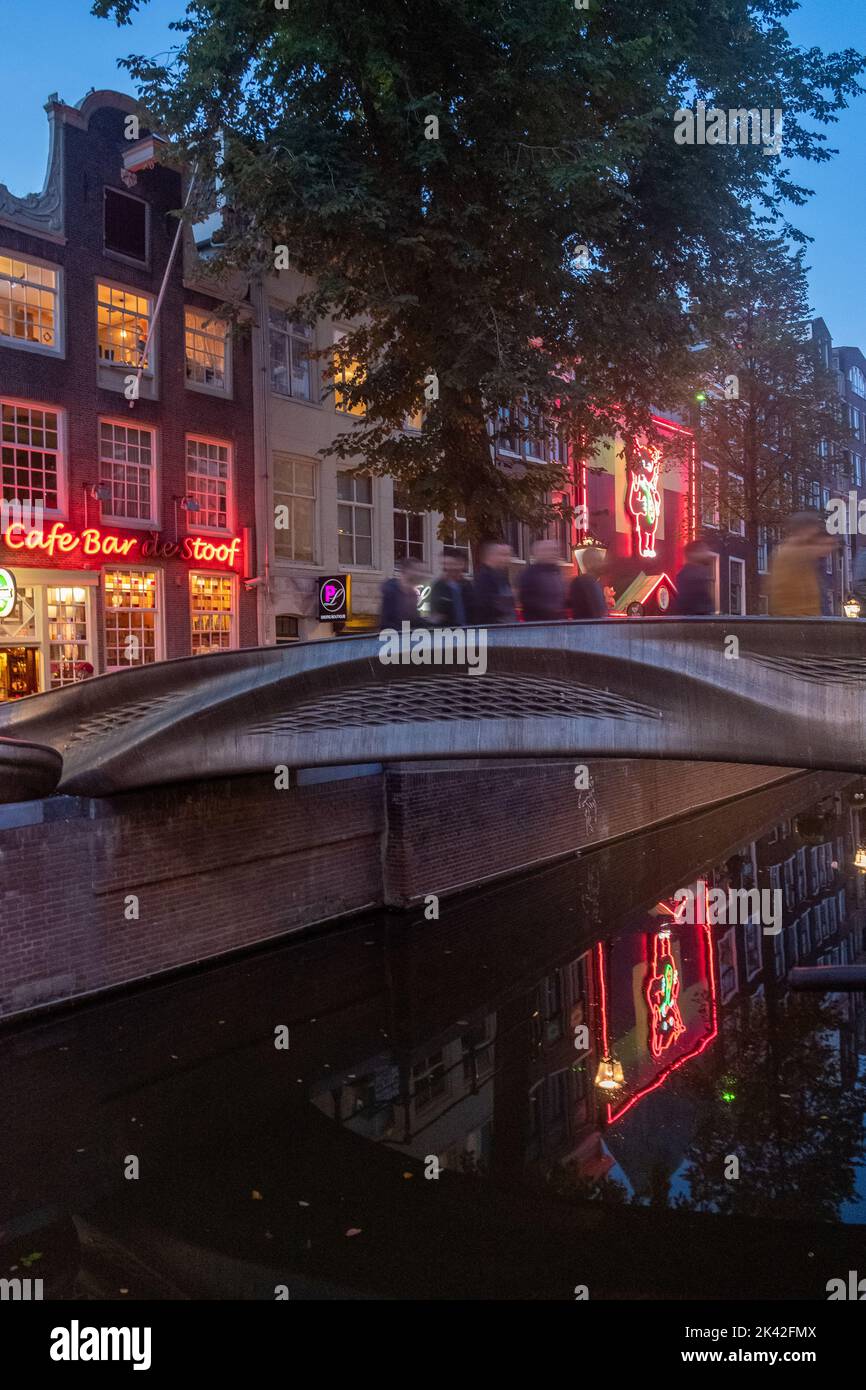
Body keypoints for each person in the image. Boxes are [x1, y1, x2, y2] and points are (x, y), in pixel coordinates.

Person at [767, 512, 836, 617]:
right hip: (801, 619)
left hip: (802, 618)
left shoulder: (791, 551)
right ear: (804, 530)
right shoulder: (797, 553)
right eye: (813, 532)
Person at [518, 538, 566, 621]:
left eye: (556, 550)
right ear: (538, 553)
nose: (554, 553)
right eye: (549, 550)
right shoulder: (530, 574)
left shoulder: (557, 572)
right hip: (539, 624)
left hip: (557, 623)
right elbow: (528, 601)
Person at [472, 542, 516, 624]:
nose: (507, 559)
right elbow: (484, 607)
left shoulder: (501, 576)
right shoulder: (483, 578)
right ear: (491, 556)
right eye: (503, 555)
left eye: (509, 555)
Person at [379, 556, 427, 629]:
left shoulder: (412, 594)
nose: (420, 574)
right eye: (417, 570)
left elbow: (413, 621)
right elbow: (386, 623)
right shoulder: (391, 592)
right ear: (407, 570)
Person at [672, 538, 716, 616]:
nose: (707, 554)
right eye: (703, 550)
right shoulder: (692, 576)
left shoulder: (688, 574)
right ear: (693, 554)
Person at [429, 553, 474, 626]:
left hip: (469, 631)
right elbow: (435, 613)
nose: (451, 567)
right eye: (447, 564)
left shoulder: (467, 585)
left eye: (454, 564)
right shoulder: (439, 586)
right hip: (448, 633)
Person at [568, 547, 608, 619]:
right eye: (598, 560)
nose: (602, 563)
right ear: (589, 563)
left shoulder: (593, 582)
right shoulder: (584, 583)